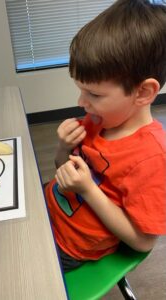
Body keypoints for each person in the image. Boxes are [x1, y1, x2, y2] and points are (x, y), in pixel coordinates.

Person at [44, 0, 166, 272]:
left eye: (94, 94)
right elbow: (63, 170)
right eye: (81, 90)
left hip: (69, 245)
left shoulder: (152, 159)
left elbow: (143, 243)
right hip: (51, 206)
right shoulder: (97, 121)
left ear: (143, 92)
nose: (81, 101)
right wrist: (63, 149)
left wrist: (87, 189)